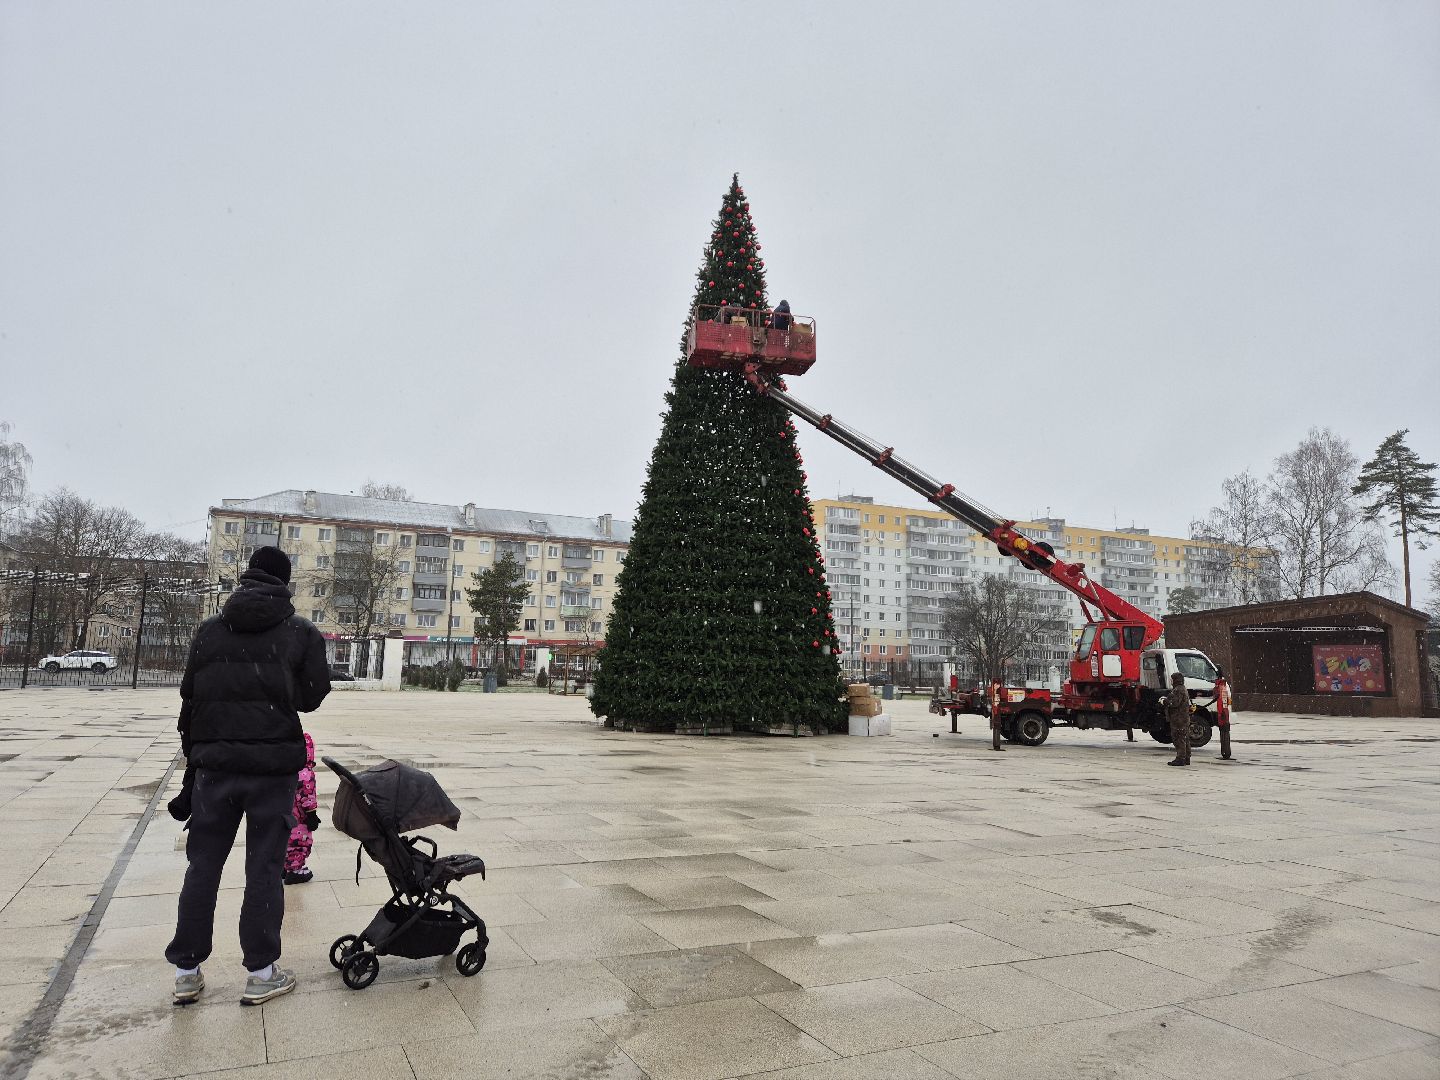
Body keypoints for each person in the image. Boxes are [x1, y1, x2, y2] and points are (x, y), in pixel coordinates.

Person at [166, 546, 331, 1007]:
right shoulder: (299, 632)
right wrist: (278, 685)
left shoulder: (209, 632)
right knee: (263, 868)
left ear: (246, 577)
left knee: (203, 866)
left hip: (214, 771)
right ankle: (261, 972)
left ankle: (186, 971)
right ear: (285, 580)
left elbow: (189, 695)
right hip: (271, 771)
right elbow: (312, 696)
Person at [283, 733, 321, 885]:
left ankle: (285, 867)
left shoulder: (286, 768)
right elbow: (307, 796)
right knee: (300, 842)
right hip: (300, 818)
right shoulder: (305, 773)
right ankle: (296, 870)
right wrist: (312, 815)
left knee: (287, 842)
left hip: (286, 814)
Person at [1166, 671, 1191, 767]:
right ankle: (1186, 757)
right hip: (1183, 717)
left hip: (1178, 718)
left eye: (1172, 679)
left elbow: (1174, 703)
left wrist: (1165, 701)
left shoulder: (1178, 690)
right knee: (1184, 738)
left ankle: (1180, 758)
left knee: (1178, 738)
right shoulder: (1182, 688)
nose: (1171, 681)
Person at [989, 678, 1005, 752]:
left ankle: (996, 745)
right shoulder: (996, 691)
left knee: (996, 722)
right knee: (996, 722)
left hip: (996, 706)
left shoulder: (996, 691)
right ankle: (996, 744)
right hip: (996, 706)